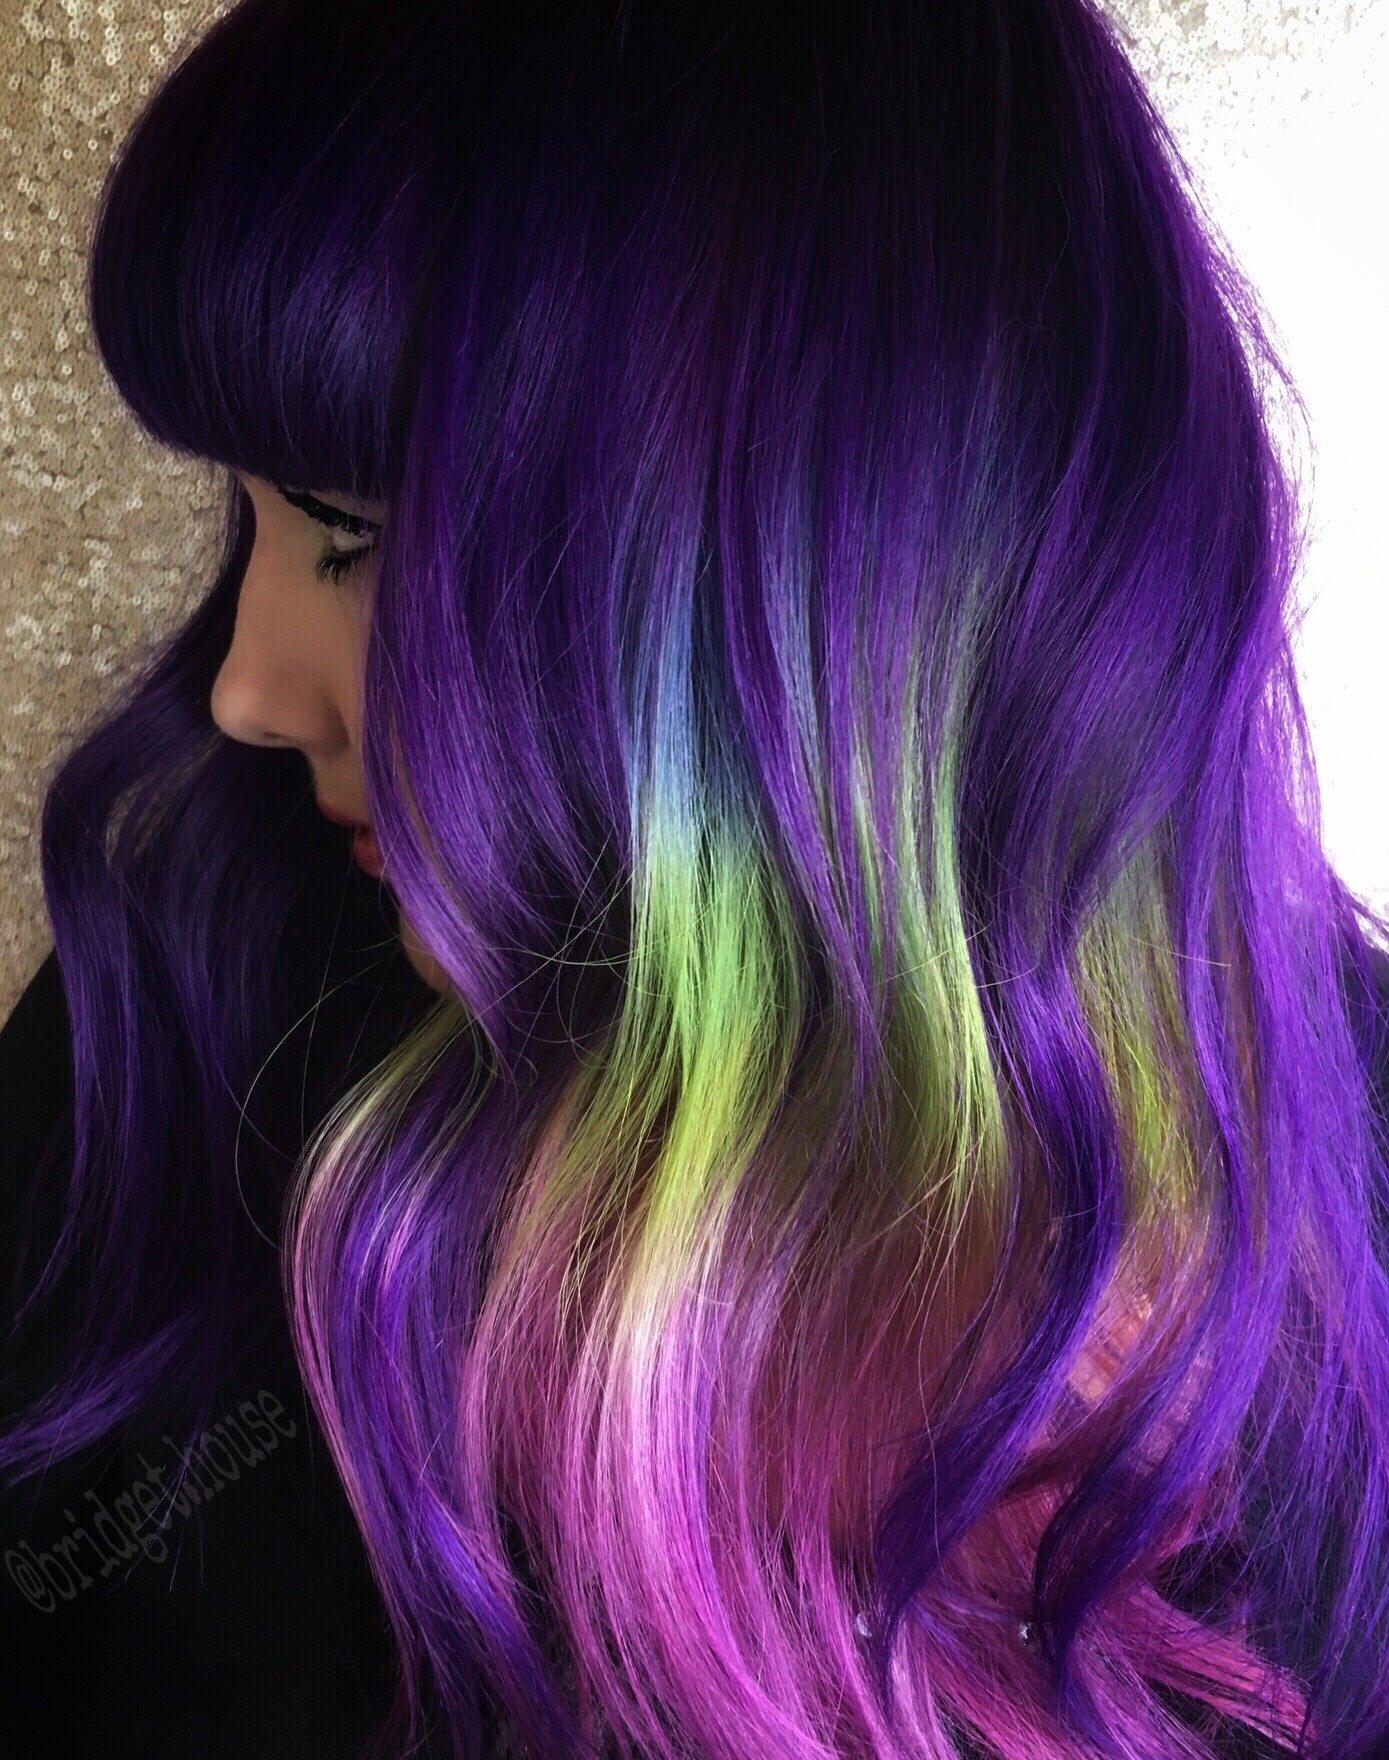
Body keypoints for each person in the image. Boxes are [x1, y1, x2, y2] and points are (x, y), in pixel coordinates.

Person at [3, 0, 1389, 1756]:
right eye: (253, 517)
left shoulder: (1347, 1197)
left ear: (839, 581)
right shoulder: (190, 1013)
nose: (244, 692)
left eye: (353, 536)